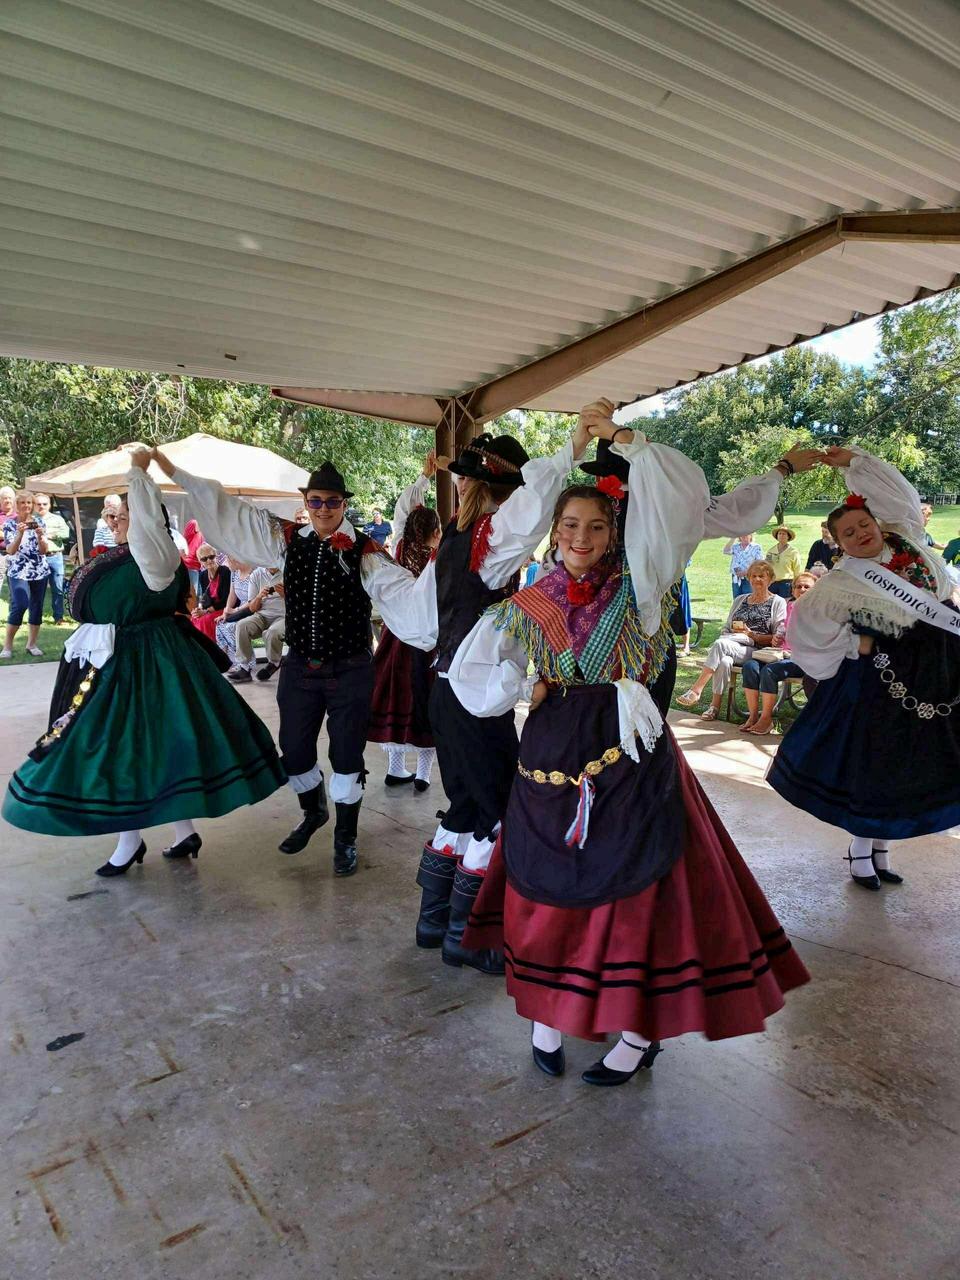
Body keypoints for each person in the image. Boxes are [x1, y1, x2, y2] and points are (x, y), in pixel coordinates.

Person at [451, 415, 809, 1085]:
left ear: (615, 532)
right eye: (568, 526)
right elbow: (476, 680)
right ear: (553, 531)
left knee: (635, 889)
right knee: (546, 881)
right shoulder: (527, 601)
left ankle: (640, 1031)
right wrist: (521, 687)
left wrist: (628, 443)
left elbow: (677, 499)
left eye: (595, 526)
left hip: (628, 750)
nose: (580, 538)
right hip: (550, 752)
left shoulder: (643, 582)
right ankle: (547, 1009)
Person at [148, 447, 434, 878]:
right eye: (315, 500)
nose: (323, 509)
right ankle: (314, 809)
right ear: (306, 502)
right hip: (300, 667)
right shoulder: (285, 540)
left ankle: (346, 838)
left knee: (346, 756)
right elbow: (231, 512)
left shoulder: (366, 551)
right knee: (295, 752)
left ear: (344, 505)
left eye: (332, 501)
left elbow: (402, 591)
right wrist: (171, 469)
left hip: (350, 669)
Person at [2, 449, 286, 875]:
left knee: (127, 749)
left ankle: (129, 840)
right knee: (156, 748)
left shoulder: (154, 557)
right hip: (127, 659)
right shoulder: (132, 554)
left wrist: (139, 475)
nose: (115, 521)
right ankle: (182, 831)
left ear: (146, 519)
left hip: (145, 664)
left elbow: (148, 531)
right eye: (113, 516)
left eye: (124, 515)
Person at [410, 418, 595, 976]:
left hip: (445, 690)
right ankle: (470, 935)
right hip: (473, 698)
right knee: (495, 810)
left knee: (464, 804)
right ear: (505, 491)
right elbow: (535, 502)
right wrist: (574, 447)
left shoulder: (456, 537)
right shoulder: (489, 538)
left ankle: (434, 924)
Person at [768, 446, 960, 891]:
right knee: (877, 762)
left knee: (912, 764)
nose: (860, 534)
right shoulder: (841, 581)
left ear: (876, 521)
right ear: (838, 542)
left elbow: (899, 494)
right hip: (884, 680)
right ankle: (860, 851)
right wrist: (855, 643)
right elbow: (805, 628)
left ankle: (883, 849)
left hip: (939, 667)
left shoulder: (906, 537)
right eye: (848, 533)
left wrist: (854, 461)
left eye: (863, 525)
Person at [368, 450, 442, 791]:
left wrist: (423, 479)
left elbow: (402, 510)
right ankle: (423, 773)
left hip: (397, 637)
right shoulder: (438, 559)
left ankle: (396, 768)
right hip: (427, 640)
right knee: (425, 701)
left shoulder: (399, 548)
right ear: (435, 531)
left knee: (396, 697)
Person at [676, 561, 786, 720]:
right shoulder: (740, 600)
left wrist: (752, 635)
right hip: (733, 644)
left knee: (721, 645)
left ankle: (696, 689)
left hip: (757, 650)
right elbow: (725, 628)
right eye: (753, 576)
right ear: (749, 578)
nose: (757, 579)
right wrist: (733, 633)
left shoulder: (777, 602)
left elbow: (777, 637)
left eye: (762, 576)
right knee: (724, 661)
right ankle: (714, 707)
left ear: (770, 579)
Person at [739, 571, 817, 735]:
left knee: (770, 671)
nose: (802, 589)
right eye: (798, 586)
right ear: (793, 590)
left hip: (802, 659)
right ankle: (753, 716)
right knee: (750, 666)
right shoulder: (789, 607)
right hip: (780, 653)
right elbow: (781, 631)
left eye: (807, 587)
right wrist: (776, 639)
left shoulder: (819, 611)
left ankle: (766, 719)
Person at [2, 491, 50, 659]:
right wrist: (20, 533)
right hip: (18, 570)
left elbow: (43, 551)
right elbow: (10, 550)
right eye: (22, 502)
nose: (26, 505)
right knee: (20, 604)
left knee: (37, 607)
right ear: (17, 505)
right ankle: (7, 646)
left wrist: (41, 537)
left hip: (39, 570)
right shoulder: (10, 524)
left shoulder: (39, 522)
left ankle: (31, 644)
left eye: (29, 502)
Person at [231, 565, 286, 683]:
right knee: (241, 625)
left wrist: (285, 594)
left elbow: (300, 602)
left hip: (284, 615)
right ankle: (244, 667)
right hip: (262, 614)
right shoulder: (256, 574)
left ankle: (274, 663)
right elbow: (252, 608)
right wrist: (259, 596)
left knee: (272, 632)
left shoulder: (288, 571)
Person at [31, 494, 71, 626]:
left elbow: (66, 533)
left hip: (55, 557)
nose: (41, 506)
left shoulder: (57, 519)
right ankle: (36, 618)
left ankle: (58, 617)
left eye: (44, 504)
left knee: (58, 588)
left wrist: (49, 534)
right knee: (38, 590)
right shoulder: (31, 520)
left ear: (49, 505)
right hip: (38, 558)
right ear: (34, 505)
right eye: (39, 504)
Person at [215, 557, 254, 673]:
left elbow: (253, 600)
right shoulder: (234, 573)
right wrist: (225, 613)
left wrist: (235, 610)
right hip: (239, 609)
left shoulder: (253, 573)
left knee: (232, 627)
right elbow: (232, 595)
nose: (226, 563)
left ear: (235, 559)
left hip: (251, 608)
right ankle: (228, 661)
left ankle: (246, 662)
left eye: (228, 560)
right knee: (220, 625)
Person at [191, 544, 231, 642]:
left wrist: (206, 611)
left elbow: (226, 600)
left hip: (225, 608)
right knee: (194, 618)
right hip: (212, 608)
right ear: (200, 561)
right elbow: (205, 598)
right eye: (204, 559)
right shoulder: (203, 575)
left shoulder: (225, 571)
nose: (209, 561)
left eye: (211, 557)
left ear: (216, 556)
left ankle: (212, 647)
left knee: (205, 620)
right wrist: (199, 609)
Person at [722, 533, 764, 598]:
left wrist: (746, 572)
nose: (744, 536)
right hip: (736, 577)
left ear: (751, 535)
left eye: (746, 534)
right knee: (736, 599)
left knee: (748, 599)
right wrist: (733, 538)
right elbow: (725, 551)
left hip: (749, 577)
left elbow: (759, 564)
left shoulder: (756, 547)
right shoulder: (735, 547)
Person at [766, 525, 803, 598]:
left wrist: (797, 584)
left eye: (784, 534)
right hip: (772, 583)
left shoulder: (793, 552)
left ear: (788, 537)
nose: (781, 536)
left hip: (786, 584)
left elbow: (797, 569)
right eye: (779, 534)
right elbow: (767, 566)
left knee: (785, 603)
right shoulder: (771, 551)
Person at [0, 484, 19, 599]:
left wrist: (3, 532)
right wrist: (11, 533)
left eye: (9, 498)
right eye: (4, 498)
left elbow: (20, 536)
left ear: (14, 500)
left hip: (16, 555)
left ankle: (13, 608)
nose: (7, 500)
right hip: (0, 554)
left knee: (15, 586)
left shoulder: (19, 517)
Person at [180, 518, 204, 596]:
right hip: (193, 567)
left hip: (184, 566)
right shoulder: (198, 536)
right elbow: (196, 552)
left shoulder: (184, 539)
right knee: (193, 593)